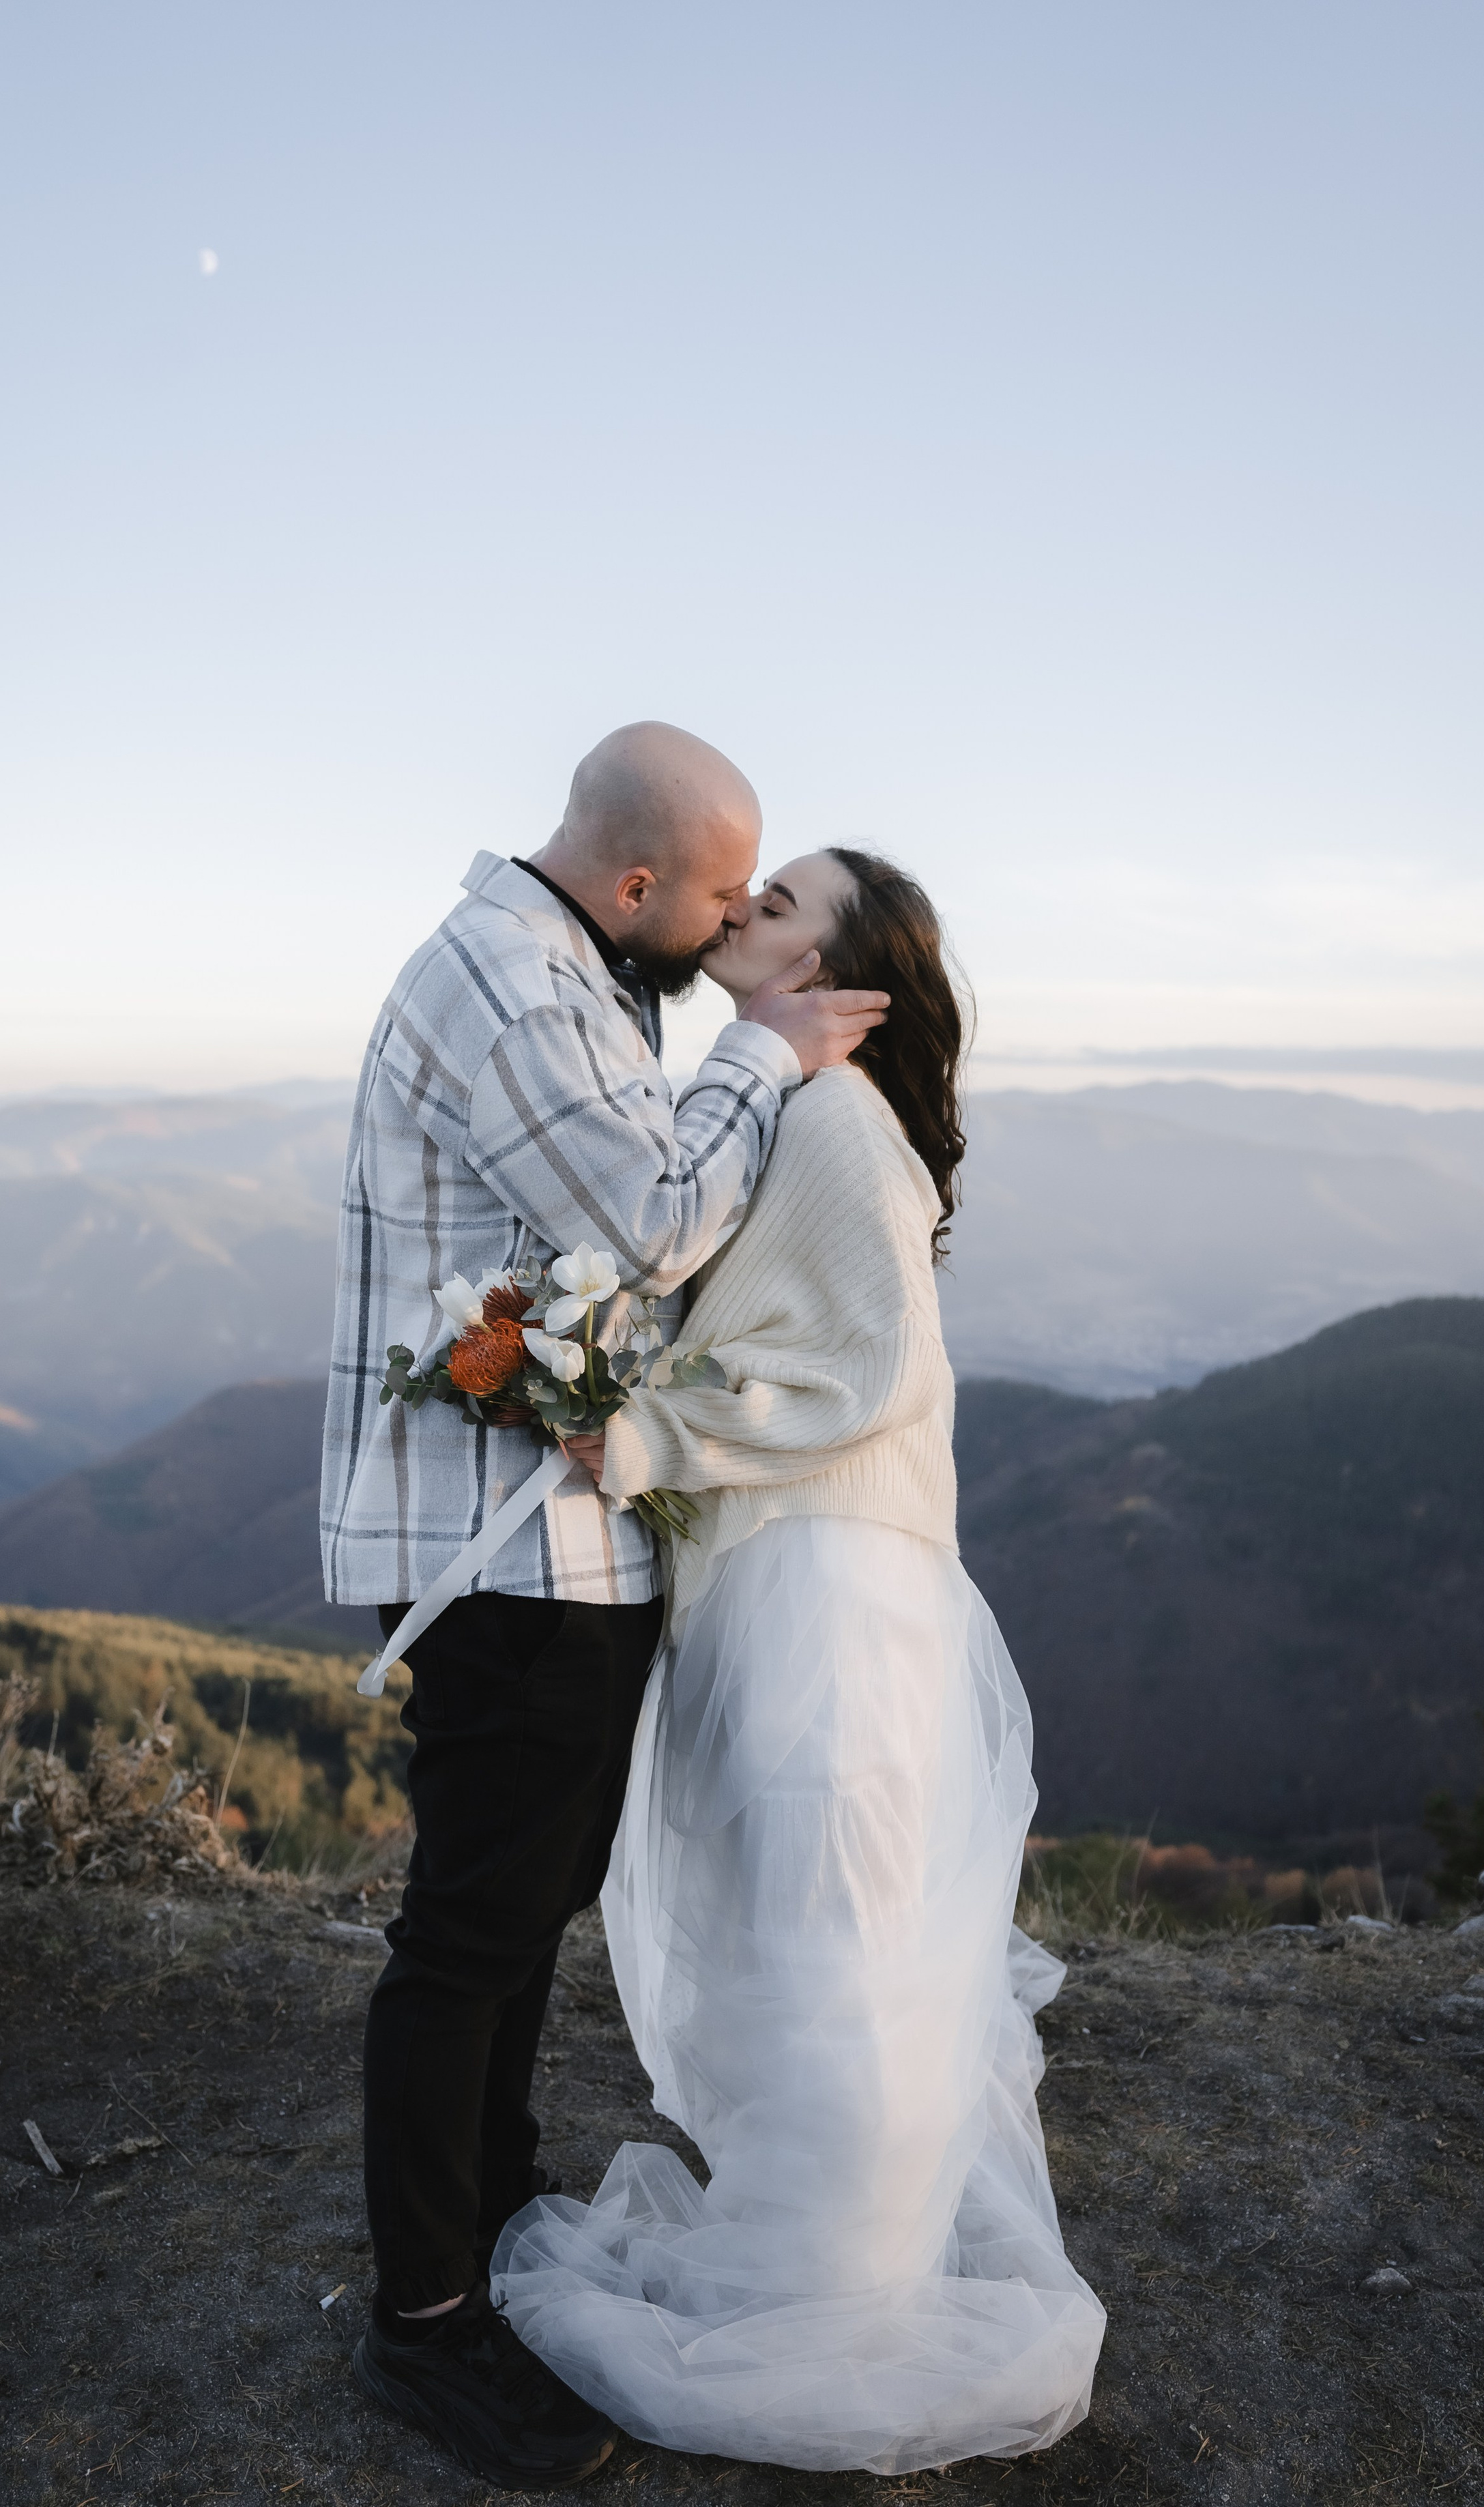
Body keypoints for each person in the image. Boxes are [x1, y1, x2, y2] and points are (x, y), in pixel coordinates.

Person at [490, 847, 1107, 2476]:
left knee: (829, 1935)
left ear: (837, 978)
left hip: (827, 1592)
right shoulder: (778, 1104)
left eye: (776, 907)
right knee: (806, 1934)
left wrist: (636, 1427)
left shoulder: (830, 1121)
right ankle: (817, 2248)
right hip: (785, 1577)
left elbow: (872, 1369)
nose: (739, 914)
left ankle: (827, 2299)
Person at [319, 726, 889, 2490]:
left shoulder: (569, 971)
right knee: (472, 1935)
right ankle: (425, 2326)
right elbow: (644, 1217)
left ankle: (484, 2218)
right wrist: (768, 1051)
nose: (732, 925)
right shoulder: (513, 984)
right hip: (504, 1556)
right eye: (724, 893)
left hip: (557, 1539)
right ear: (638, 884)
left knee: (524, 1906)